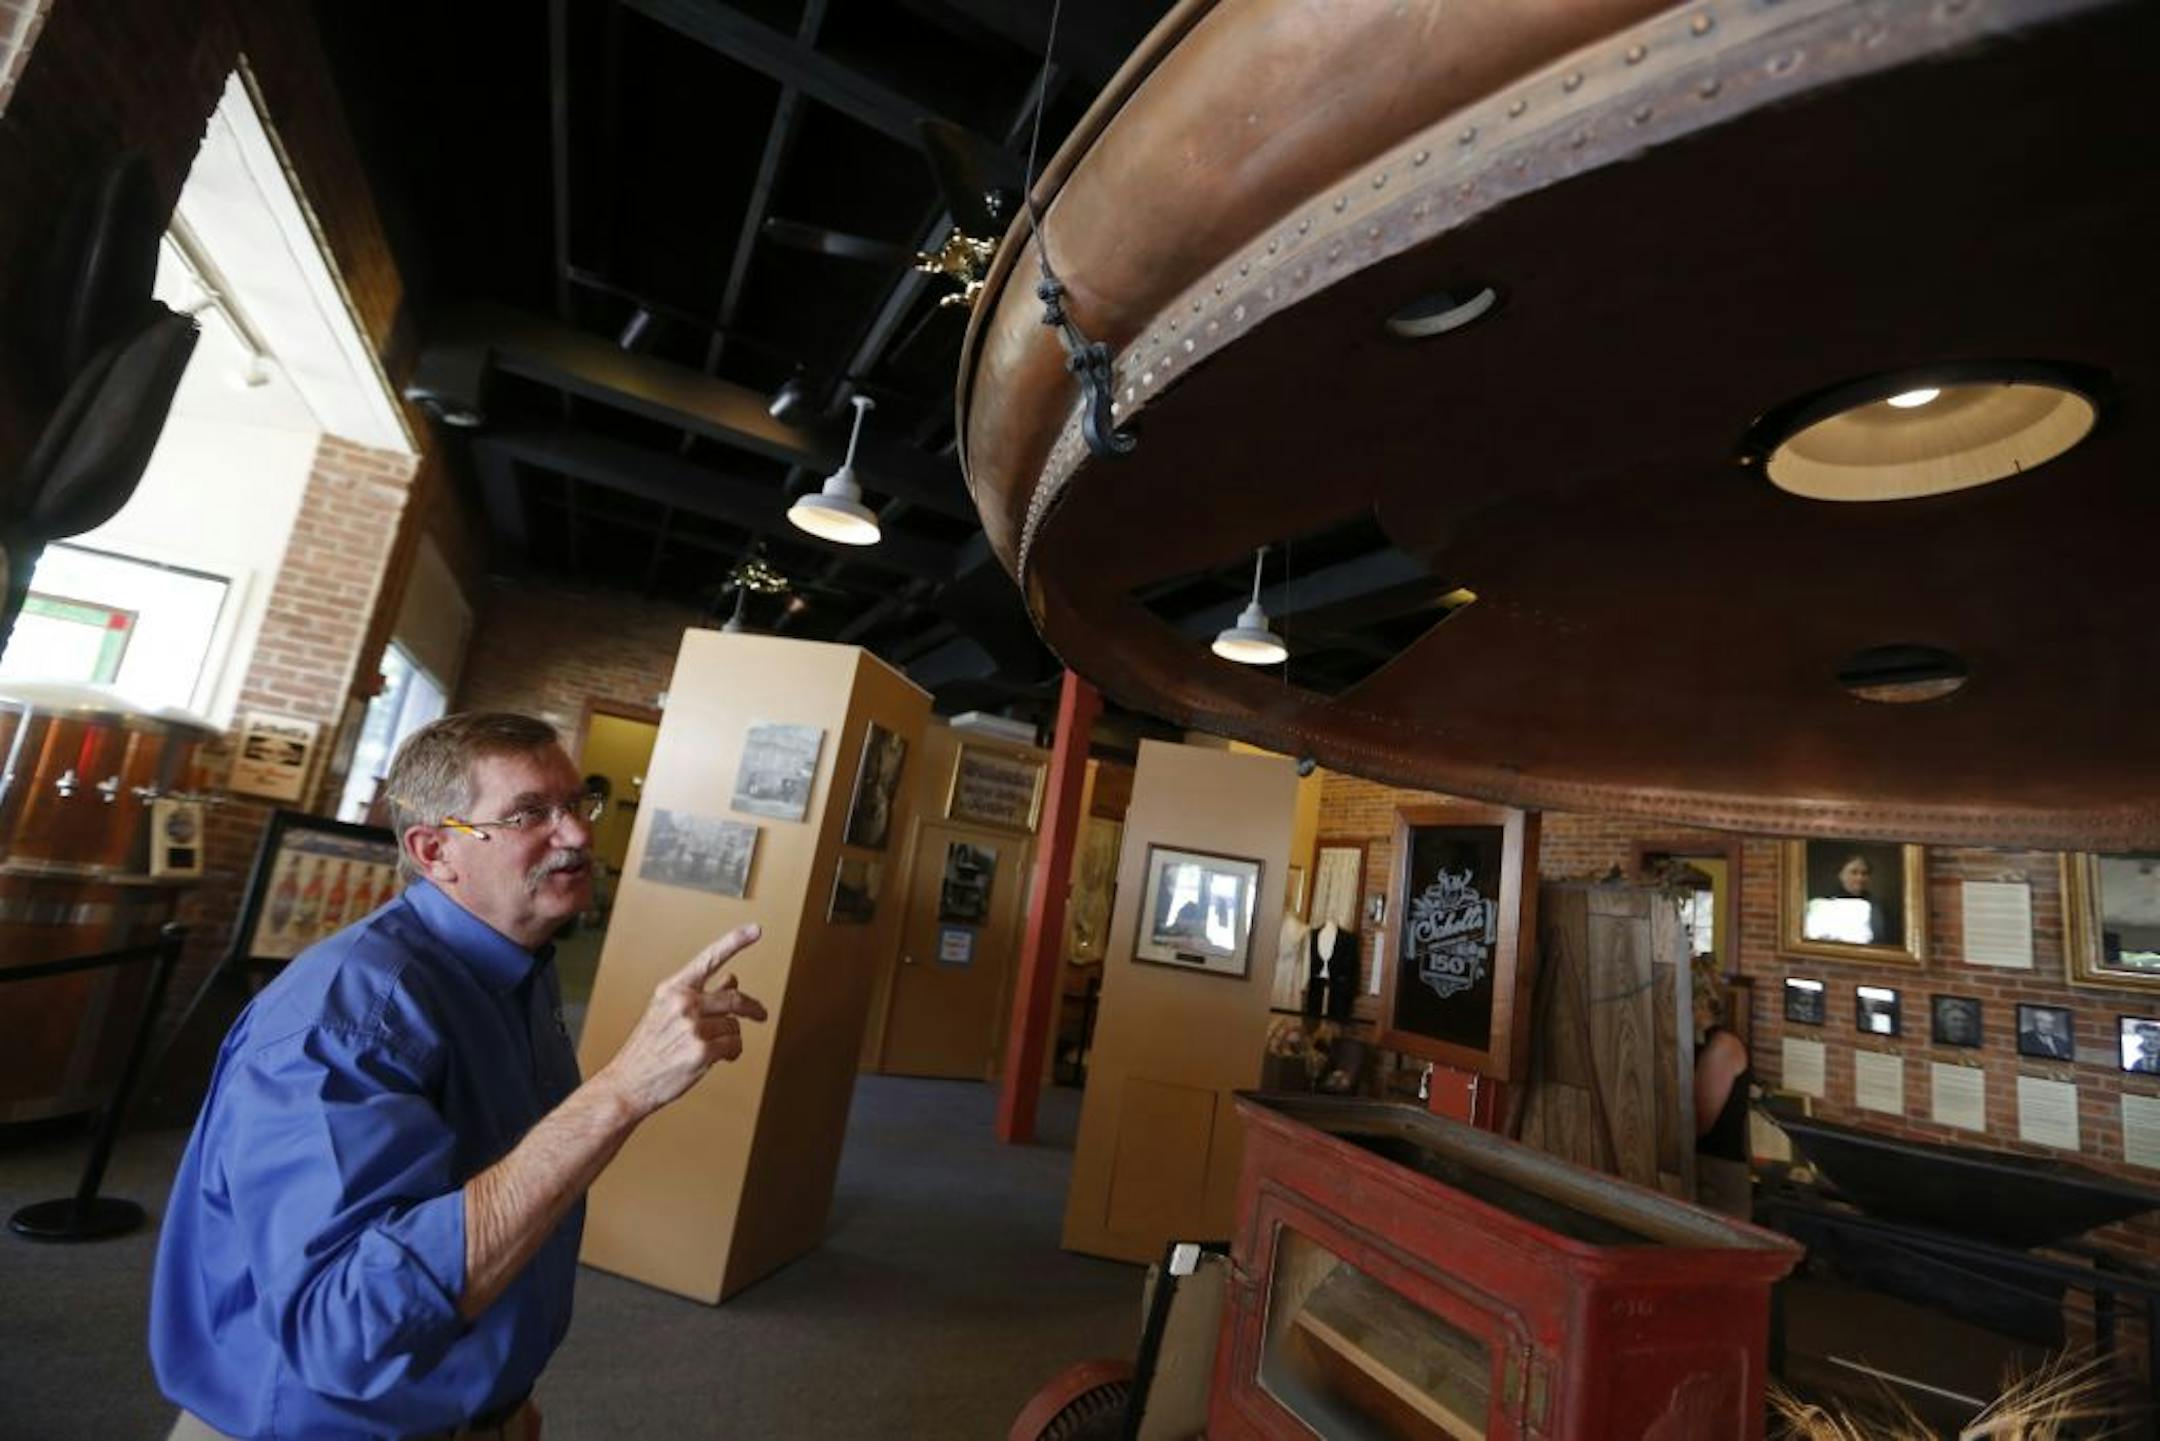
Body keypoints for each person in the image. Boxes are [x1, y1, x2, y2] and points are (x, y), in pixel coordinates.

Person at [151, 712, 769, 1440]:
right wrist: (624, 1088)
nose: (574, 833)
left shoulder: (518, 964)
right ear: (435, 848)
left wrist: (499, 1402)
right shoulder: (344, 1019)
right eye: (529, 813)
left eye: (576, 803)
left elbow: (499, 1183)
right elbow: (345, 1327)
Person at [1693, 981, 1753, 1219]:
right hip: (1704, 1171)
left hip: (1717, 1177)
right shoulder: (1698, 1042)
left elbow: (1699, 1122)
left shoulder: (1722, 1046)